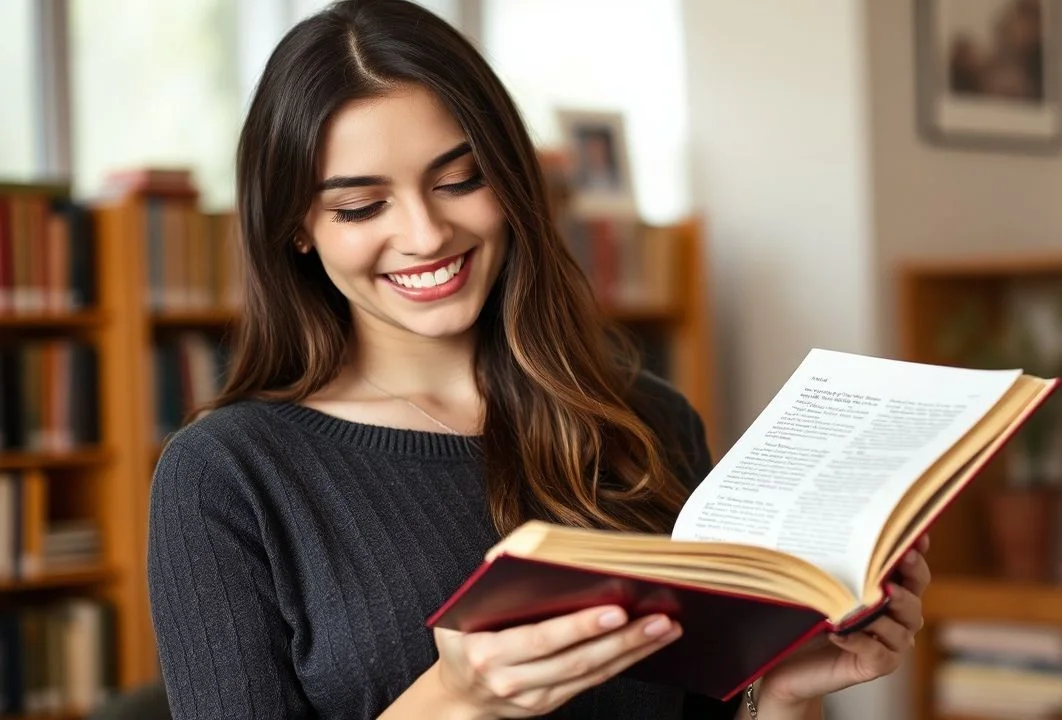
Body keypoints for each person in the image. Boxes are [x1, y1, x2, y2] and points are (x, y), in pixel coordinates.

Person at [145, 1, 933, 718]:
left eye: (460, 180)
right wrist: (457, 699)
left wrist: (781, 693)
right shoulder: (226, 476)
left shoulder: (648, 423)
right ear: (297, 226)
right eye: (361, 205)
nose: (425, 234)